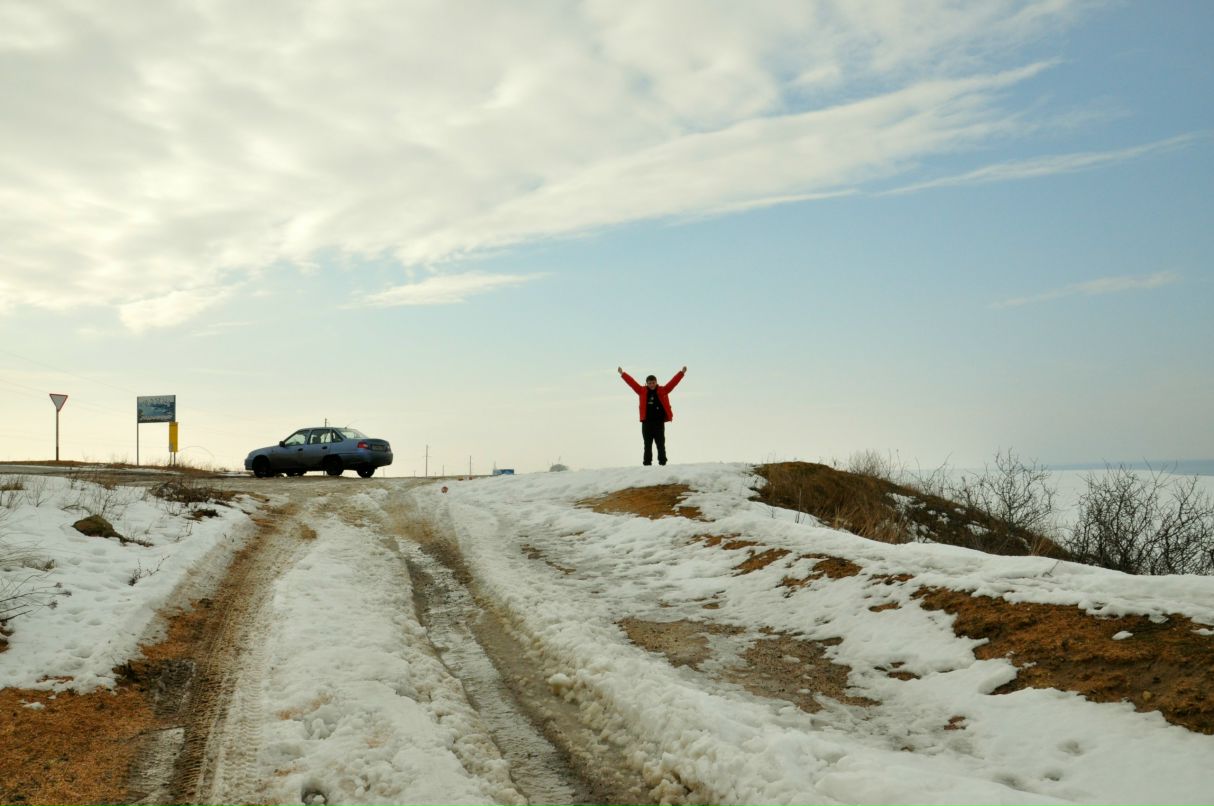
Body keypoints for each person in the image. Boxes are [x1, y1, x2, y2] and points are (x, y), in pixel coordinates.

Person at [618, 366, 686, 466]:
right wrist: (622, 374)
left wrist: (681, 373)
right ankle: (647, 464)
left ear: (656, 382)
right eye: (649, 383)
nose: (651, 385)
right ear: (646, 383)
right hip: (646, 423)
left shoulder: (663, 390)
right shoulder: (641, 391)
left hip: (659, 423)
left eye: (653, 383)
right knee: (647, 445)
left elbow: (673, 383)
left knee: (660, 444)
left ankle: (663, 463)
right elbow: (632, 383)